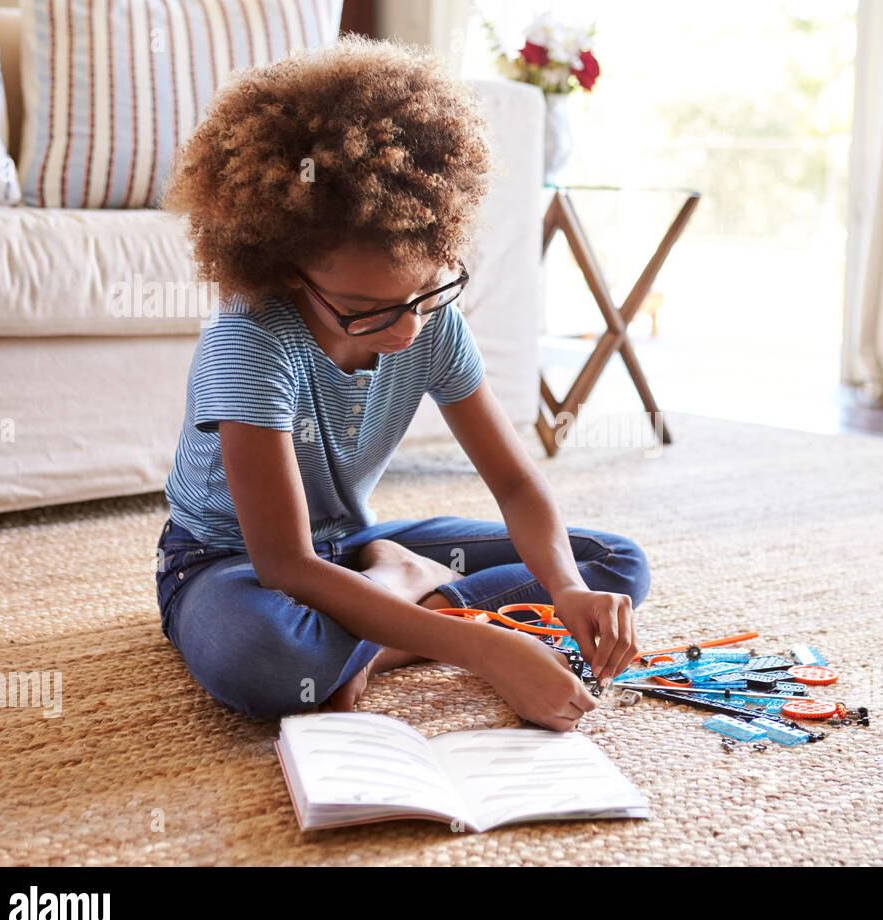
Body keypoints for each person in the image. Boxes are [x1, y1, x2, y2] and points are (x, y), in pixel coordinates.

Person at [154, 36, 650, 731]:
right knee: (267, 661)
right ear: (285, 272)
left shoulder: (428, 319)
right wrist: (488, 649)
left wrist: (567, 589)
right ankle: (405, 581)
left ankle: (390, 597)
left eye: (425, 293)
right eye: (365, 312)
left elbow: (514, 485)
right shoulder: (250, 343)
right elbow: (288, 564)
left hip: (352, 542)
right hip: (230, 564)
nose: (407, 330)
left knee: (612, 565)